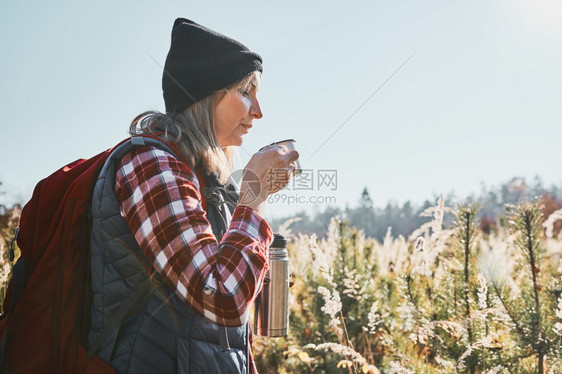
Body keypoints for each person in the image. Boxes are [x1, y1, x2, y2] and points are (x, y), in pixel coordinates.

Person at [87, 18, 299, 374]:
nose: (258, 111)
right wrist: (255, 196)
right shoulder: (149, 165)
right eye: (246, 91)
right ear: (206, 95)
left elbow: (242, 312)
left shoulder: (210, 181)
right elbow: (222, 296)